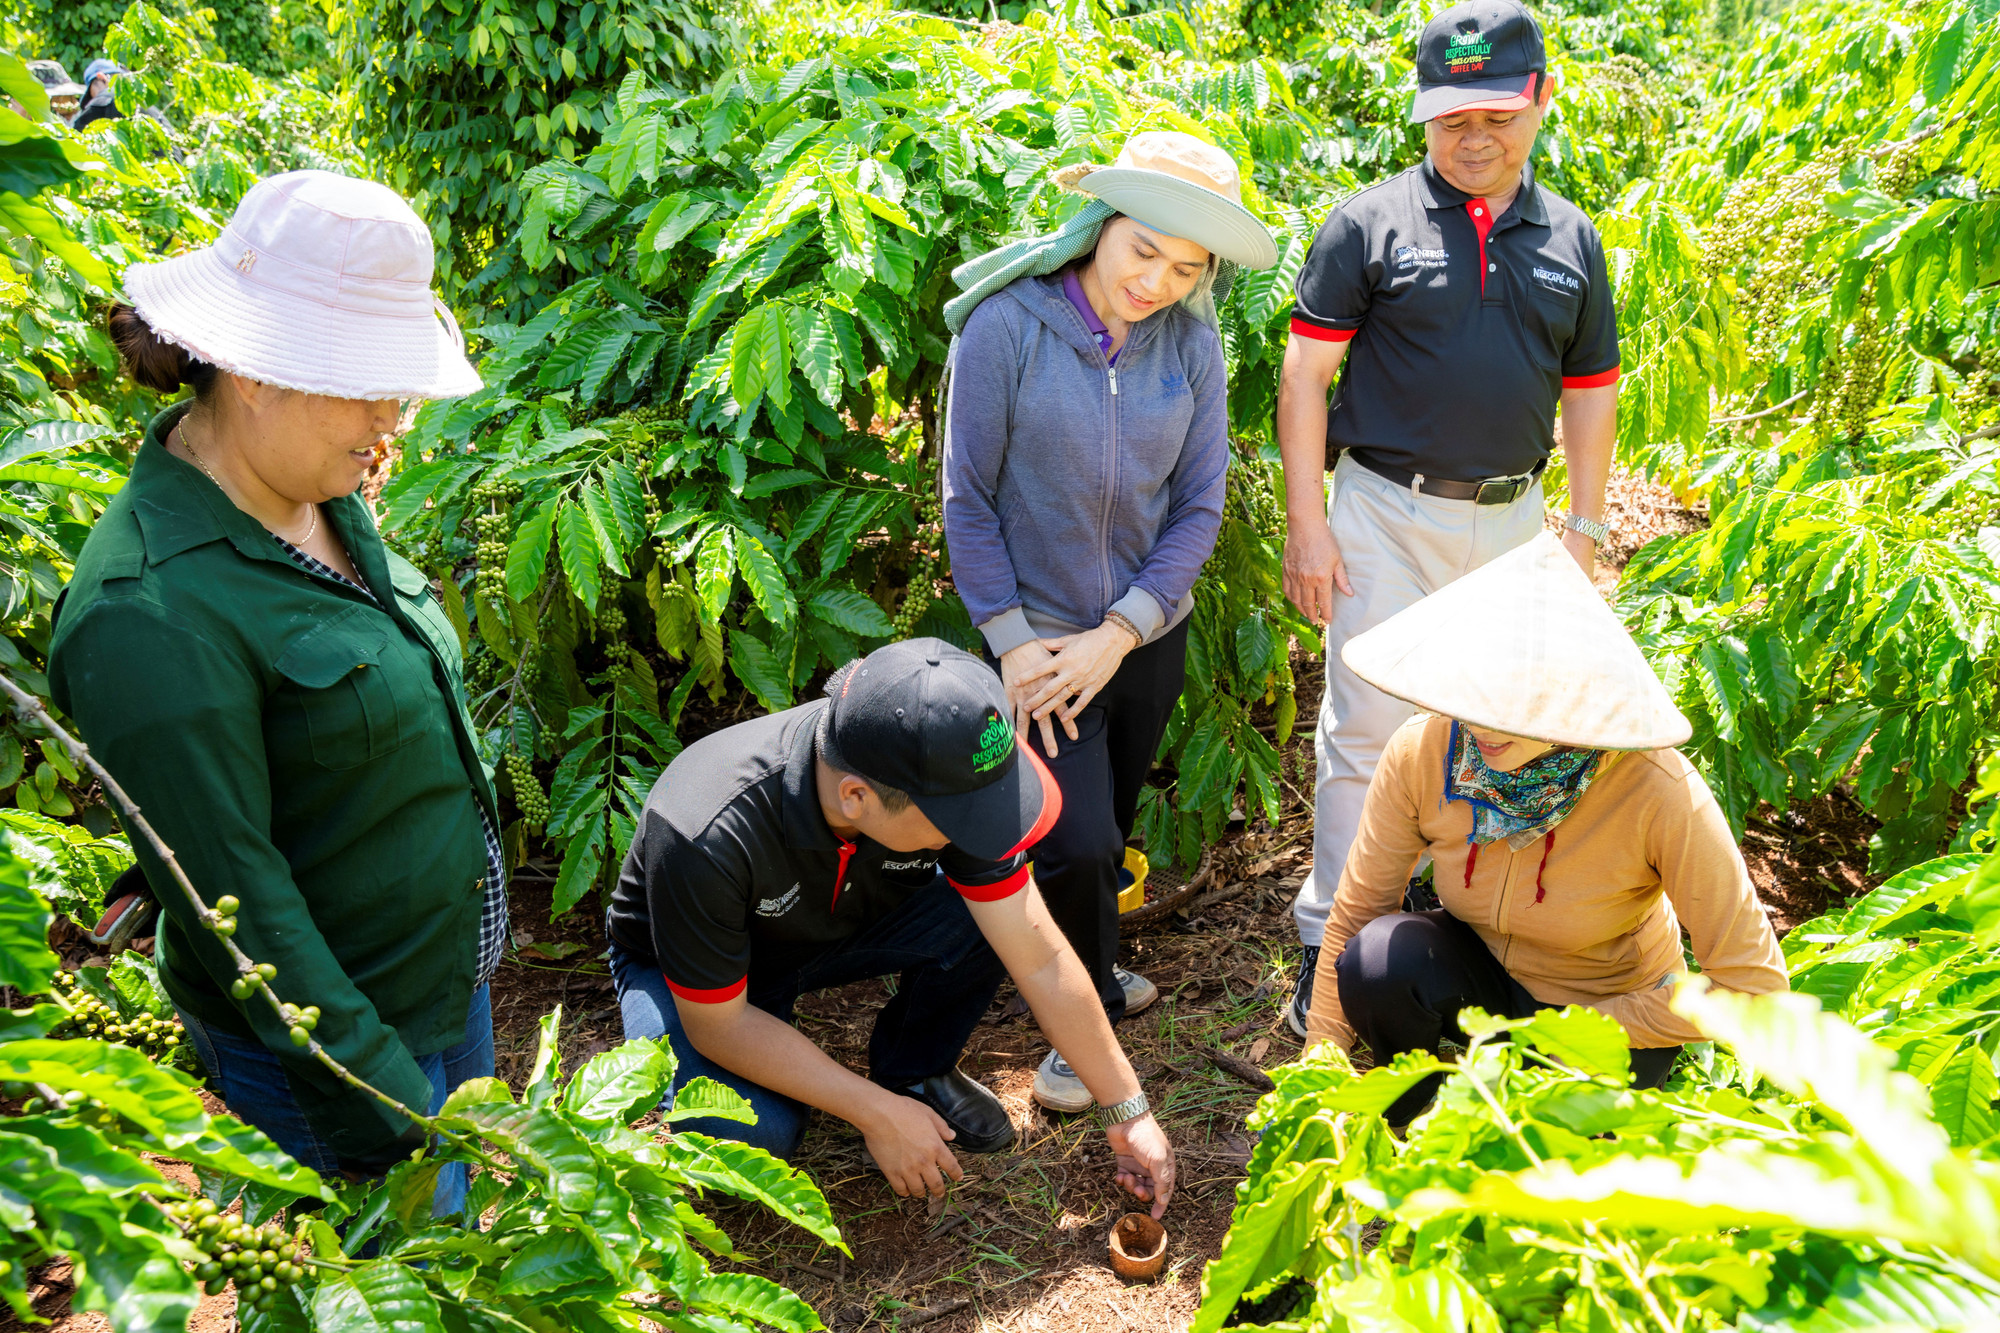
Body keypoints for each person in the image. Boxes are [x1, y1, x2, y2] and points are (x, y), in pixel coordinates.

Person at [49, 171, 494, 1212]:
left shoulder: (310, 487)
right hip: (340, 1048)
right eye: (369, 386)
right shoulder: (148, 611)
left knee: (464, 1249)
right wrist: (386, 1099)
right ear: (258, 372)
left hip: (434, 981)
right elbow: (237, 905)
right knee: (388, 1282)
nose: (392, 418)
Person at [1277, 0, 1624, 1036]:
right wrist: (1309, 524)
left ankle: (1458, 935)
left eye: (1494, 116)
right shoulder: (1365, 222)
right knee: (1367, 730)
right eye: (1447, 119)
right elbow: (1304, 376)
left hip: (1513, 525)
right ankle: (1331, 946)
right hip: (1383, 509)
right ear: (1422, 117)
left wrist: (1586, 526)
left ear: (1538, 100)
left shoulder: (1570, 238)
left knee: (1496, 733)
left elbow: (1590, 388)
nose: (1471, 138)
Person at [940, 131, 1278, 1112]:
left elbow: (1197, 507)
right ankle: (1077, 1017)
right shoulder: (1004, 329)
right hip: (1036, 644)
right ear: (1099, 225)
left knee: (1113, 812)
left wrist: (1123, 630)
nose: (1157, 281)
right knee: (1075, 838)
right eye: (1143, 251)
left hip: (1139, 637)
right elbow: (967, 502)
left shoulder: (1193, 345)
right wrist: (1011, 646)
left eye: (1184, 268)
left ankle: (1088, 958)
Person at [606, 640, 1176, 1216]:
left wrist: (1129, 1111)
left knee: (996, 914)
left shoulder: (933, 768)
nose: (977, 831)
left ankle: (914, 1072)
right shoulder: (705, 829)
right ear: (857, 796)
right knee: (754, 1134)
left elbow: (1039, 955)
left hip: (828, 923)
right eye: (960, 821)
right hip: (696, 977)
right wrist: (871, 1111)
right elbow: (719, 1026)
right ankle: (873, 1094)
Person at [1303, 533, 1788, 1123]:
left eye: (1515, 708)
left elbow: (1755, 988)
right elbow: (1358, 911)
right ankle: (1406, 1123)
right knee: (1377, 958)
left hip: (1605, 1013)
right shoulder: (1423, 752)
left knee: (1544, 1179)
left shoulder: (1657, 789)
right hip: (1485, 983)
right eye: (1472, 698)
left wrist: (1589, 1028)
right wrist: (1320, 1063)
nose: (1481, 727)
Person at [72, 59, 122, 130]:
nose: (93, 98)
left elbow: (75, 136)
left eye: (91, 94)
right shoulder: (138, 98)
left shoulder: (100, 102)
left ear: (101, 78)